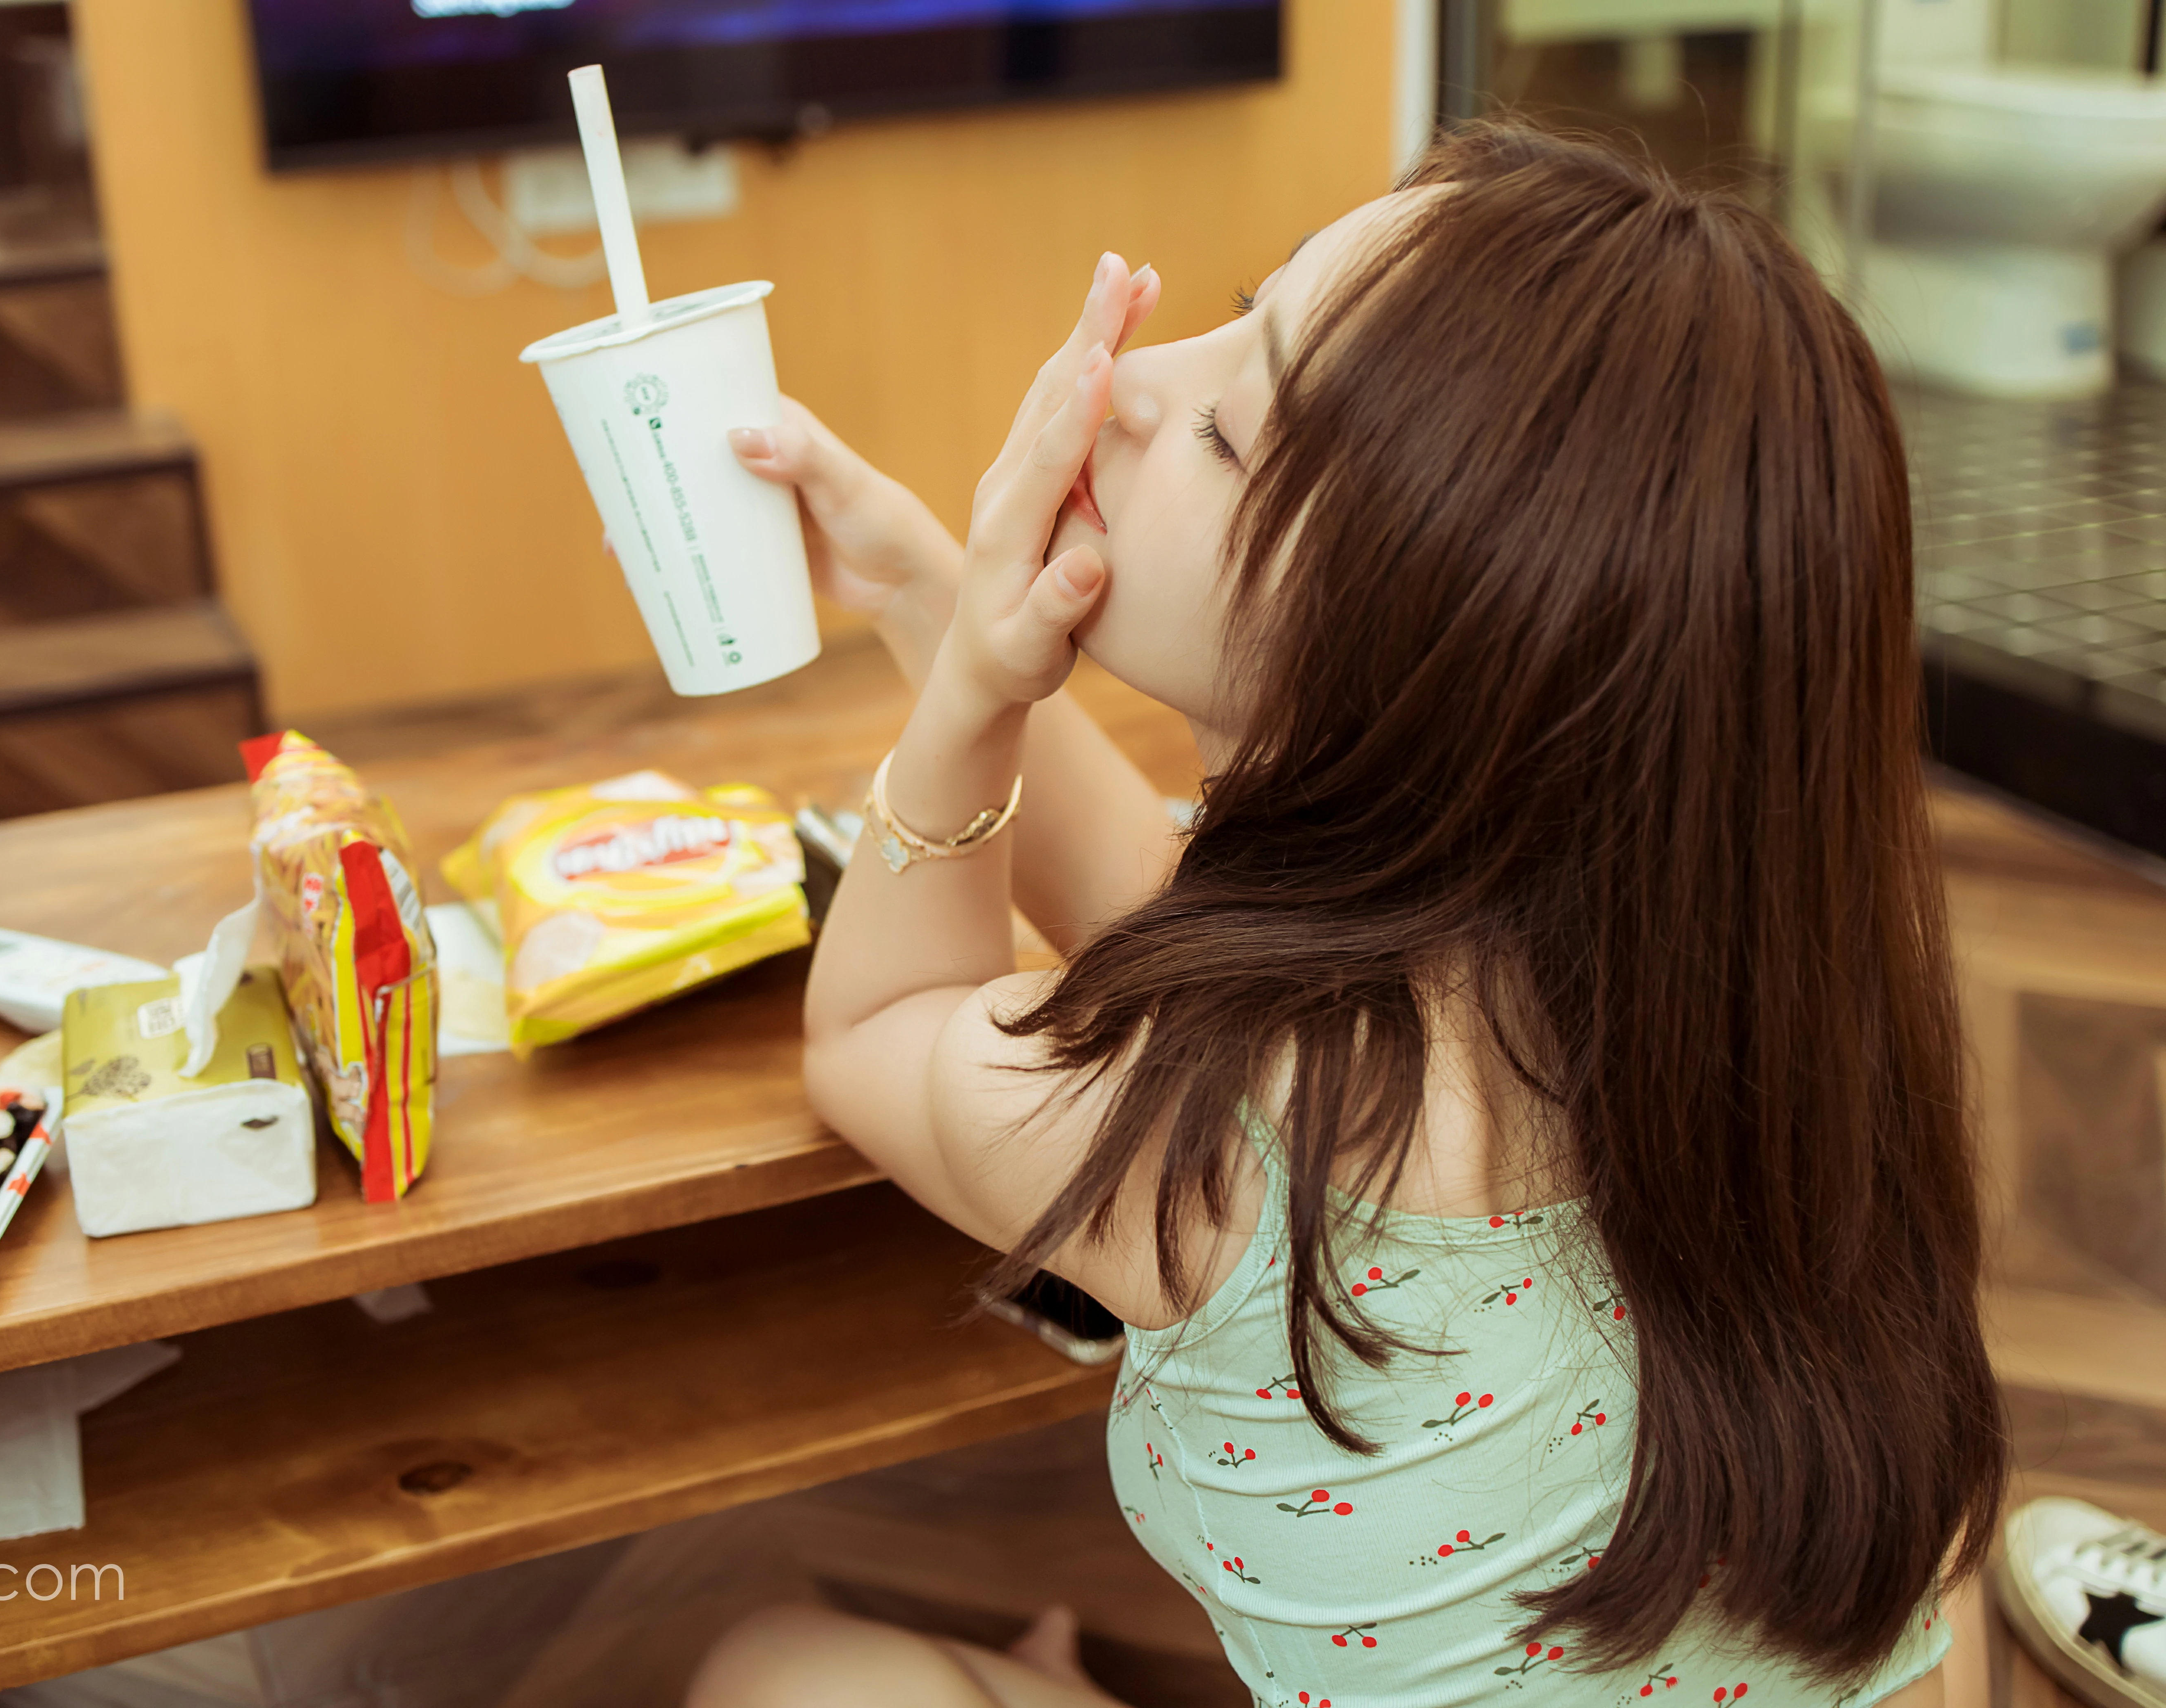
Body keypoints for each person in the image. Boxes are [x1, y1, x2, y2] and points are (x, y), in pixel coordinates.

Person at [689, 122, 2007, 1708]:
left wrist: (974, 690)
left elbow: (874, 1034)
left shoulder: (1212, 1136)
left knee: (776, 1667)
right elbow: (1197, 918)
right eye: (1241, 312)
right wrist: (929, 587)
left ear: (1422, 649)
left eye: (1232, 432)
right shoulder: (1793, 1052)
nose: (1131, 381)